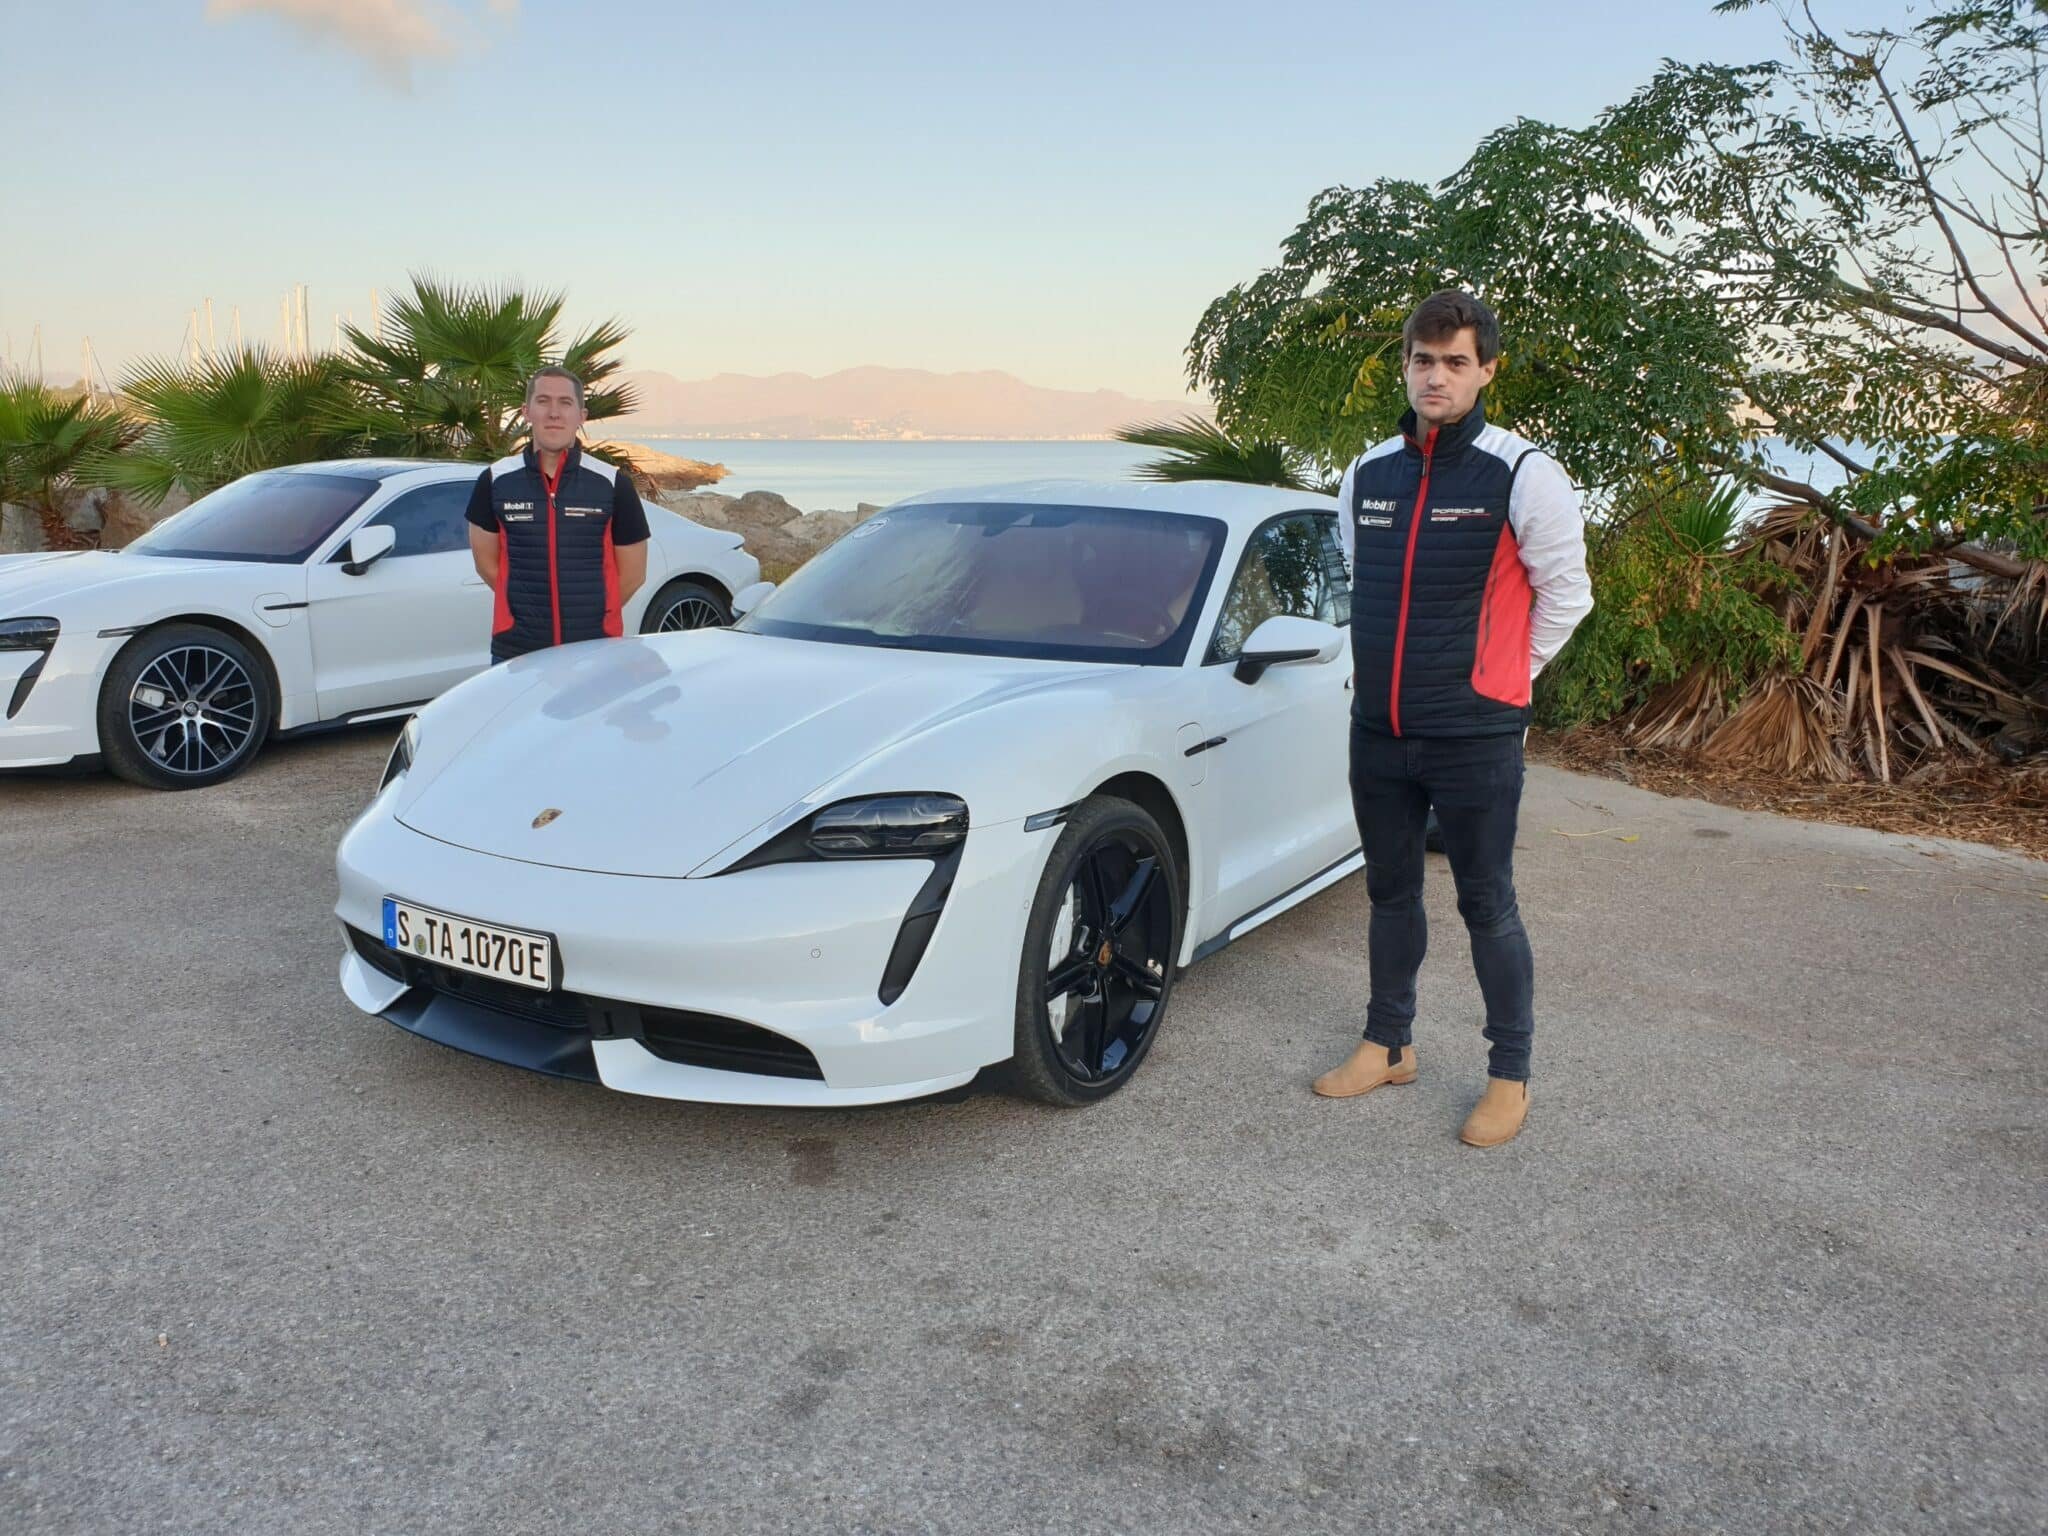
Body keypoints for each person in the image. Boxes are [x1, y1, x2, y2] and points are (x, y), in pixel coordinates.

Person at [1313, 290, 1592, 1148]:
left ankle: (1510, 1075)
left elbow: (1567, 595)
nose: (1436, 377)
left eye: (1456, 362)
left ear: (1486, 371)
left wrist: (1504, 679)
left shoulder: (1522, 472)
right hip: (1379, 731)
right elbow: (1358, 576)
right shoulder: (1367, 473)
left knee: (1487, 904)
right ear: (1405, 365)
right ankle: (1388, 1044)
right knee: (1389, 893)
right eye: (1423, 360)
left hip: (1475, 736)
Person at [466, 366, 651, 663]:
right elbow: (487, 565)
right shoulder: (495, 480)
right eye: (543, 401)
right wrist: (525, 609)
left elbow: (633, 574)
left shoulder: (612, 483)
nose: (554, 413)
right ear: (526, 412)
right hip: (516, 650)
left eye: (565, 403)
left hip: (595, 650)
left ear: (581, 416)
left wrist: (593, 618)